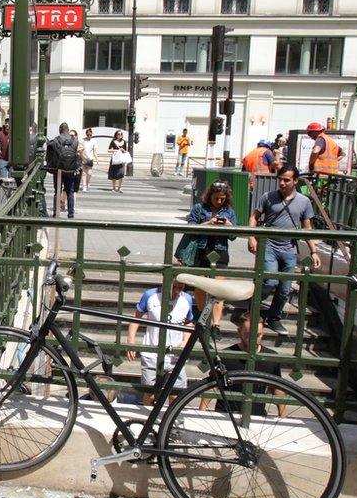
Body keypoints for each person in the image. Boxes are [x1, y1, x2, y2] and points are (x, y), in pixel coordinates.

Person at [248, 167, 321, 335]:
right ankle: (254, 307)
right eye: (280, 179)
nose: (282, 182)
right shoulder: (268, 197)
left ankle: (274, 317)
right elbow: (254, 217)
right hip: (269, 246)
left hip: (289, 247)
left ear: (295, 181)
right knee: (270, 281)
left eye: (287, 180)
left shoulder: (304, 201)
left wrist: (314, 251)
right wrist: (252, 237)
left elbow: (307, 228)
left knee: (285, 288)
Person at [199, 313, 287, 417]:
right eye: (248, 334)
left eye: (257, 334)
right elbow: (213, 385)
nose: (252, 339)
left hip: (256, 416)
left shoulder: (271, 358)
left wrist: (283, 414)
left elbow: (277, 388)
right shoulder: (226, 356)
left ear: (263, 333)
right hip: (226, 415)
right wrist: (202, 412)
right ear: (239, 332)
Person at [125, 281, 194, 405]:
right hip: (152, 354)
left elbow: (189, 322)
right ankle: (148, 419)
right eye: (174, 287)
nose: (177, 291)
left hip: (175, 355)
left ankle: (172, 421)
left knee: (176, 395)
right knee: (150, 393)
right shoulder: (150, 295)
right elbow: (136, 318)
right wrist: (131, 340)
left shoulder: (187, 299)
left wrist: (185, 341)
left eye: (181, 287)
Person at [186, 181, 238, 340]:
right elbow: (190, 227)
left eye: (222, 198)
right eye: (216, 198)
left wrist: (228, 225)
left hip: (220, 252)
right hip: (201, 252)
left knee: (218, 290)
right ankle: (202, 318)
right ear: (210, 196)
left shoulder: (229, 211)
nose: (219, 201)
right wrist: (208, 223)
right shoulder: (199, 208)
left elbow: (234, 235)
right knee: (200, 287)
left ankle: (216, 324)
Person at [45, 122, 80, 218]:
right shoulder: (75, 141)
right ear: (68, 130)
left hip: (59, 170)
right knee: (70, 192)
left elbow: (52, 154)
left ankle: (56, 213)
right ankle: (71, 214)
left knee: (57, 191)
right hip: (70, 170)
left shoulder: (56, 140)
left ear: (60, 130)